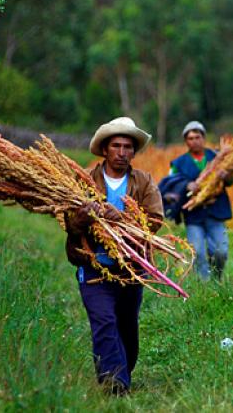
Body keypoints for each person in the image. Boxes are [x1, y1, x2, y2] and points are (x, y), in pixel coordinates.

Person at [64, 117, 164, 395]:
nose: (122, 152)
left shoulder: (143, 182)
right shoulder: (84, 181)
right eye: (116, 146)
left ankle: (121, 369)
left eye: (128, 147)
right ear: (105, 150)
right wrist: (82, 219)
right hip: (93, 265)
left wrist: (120, 217)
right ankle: (115, 382)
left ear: (133, 152)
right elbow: (68, 223)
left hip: (130, 268)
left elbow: (154, 220)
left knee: (127, 326)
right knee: (103, 321)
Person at [162, 121, 232, 281]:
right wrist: (187, 185)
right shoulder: (178, 163)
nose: (194, 141)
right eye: (190, 138)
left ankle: (216, 278)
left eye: (197, 137)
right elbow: (170, 183)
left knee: (221, 251)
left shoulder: (217, 157)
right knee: (198, 252)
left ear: (204, 138)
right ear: (186, 141)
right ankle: (206, 286)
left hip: (215, 212)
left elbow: (231, 181)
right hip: (193, 215)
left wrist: (226, 176)